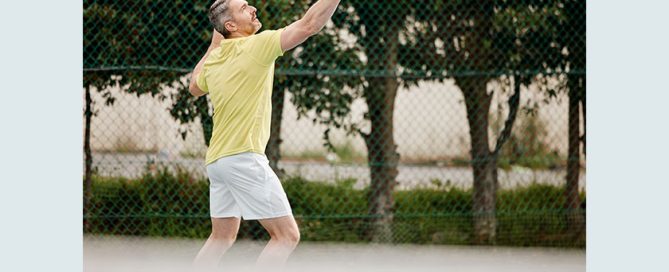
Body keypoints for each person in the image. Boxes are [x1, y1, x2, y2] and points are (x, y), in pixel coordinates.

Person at [188, 0, 341, 269]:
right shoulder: (257, 46)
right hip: (243, 158)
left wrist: (215, 43)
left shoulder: (215, 61)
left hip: (218, 163)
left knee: (221, 237)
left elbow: (194, 87)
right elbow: (309, 25)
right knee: (286, 236)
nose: (253, 9)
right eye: (245, 7)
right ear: (231, 25)